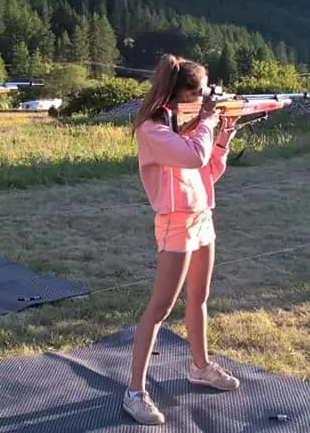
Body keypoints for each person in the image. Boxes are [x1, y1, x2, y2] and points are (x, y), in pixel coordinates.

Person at [124, 54, 241, 425]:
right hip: (176, 223)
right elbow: (192, 158)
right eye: (200, 93)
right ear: (180, 95)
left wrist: (222, 137)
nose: (205, 100)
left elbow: (206, 171)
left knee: (200, 298)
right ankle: (135, 392)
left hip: (201, 216)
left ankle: (200, 365)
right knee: (159, 308)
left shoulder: (183, 127)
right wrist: (208, 120)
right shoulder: (152, 130)